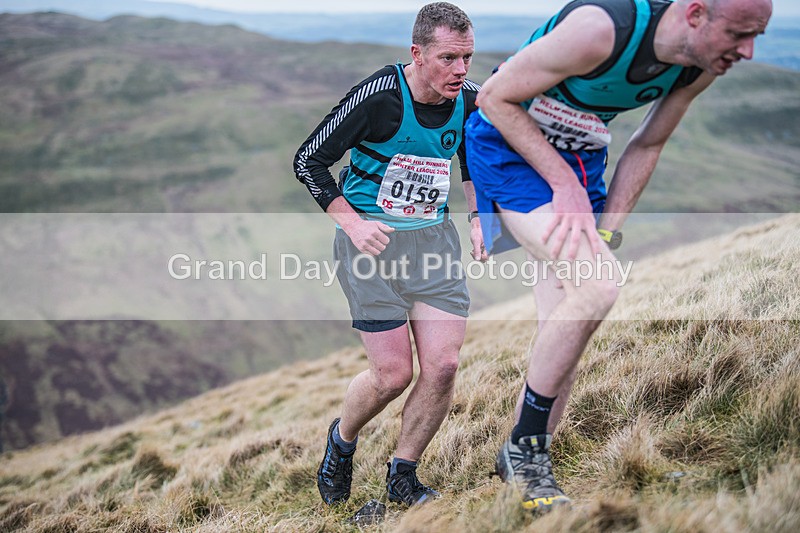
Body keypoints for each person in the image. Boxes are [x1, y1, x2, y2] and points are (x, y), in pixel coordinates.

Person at [464, 0, 772, 512]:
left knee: (566, 324)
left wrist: (605, 232)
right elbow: (494, 98)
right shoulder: (600, 30)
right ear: (695, 14)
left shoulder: (700, 65)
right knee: (597, 286)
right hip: (508, 149)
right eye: (740, 34)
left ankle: (521, 463)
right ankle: (524, 451)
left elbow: (648, 144)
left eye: (757, 35)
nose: (749, 51)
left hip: (581, 160)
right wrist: (563, 186)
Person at [293, 2, 486, 507]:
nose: (461, 70)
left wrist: (477, 216)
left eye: (467, 57)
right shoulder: (380, 95)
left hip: (432, 243)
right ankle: (343, 440)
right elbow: (308, 160)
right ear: (418, 54)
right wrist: (354, 225)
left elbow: (473, 154)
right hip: (369, 248)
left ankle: (403, 475)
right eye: (448, 58)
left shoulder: (469, 98)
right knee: (393, 375)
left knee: (442, 366)